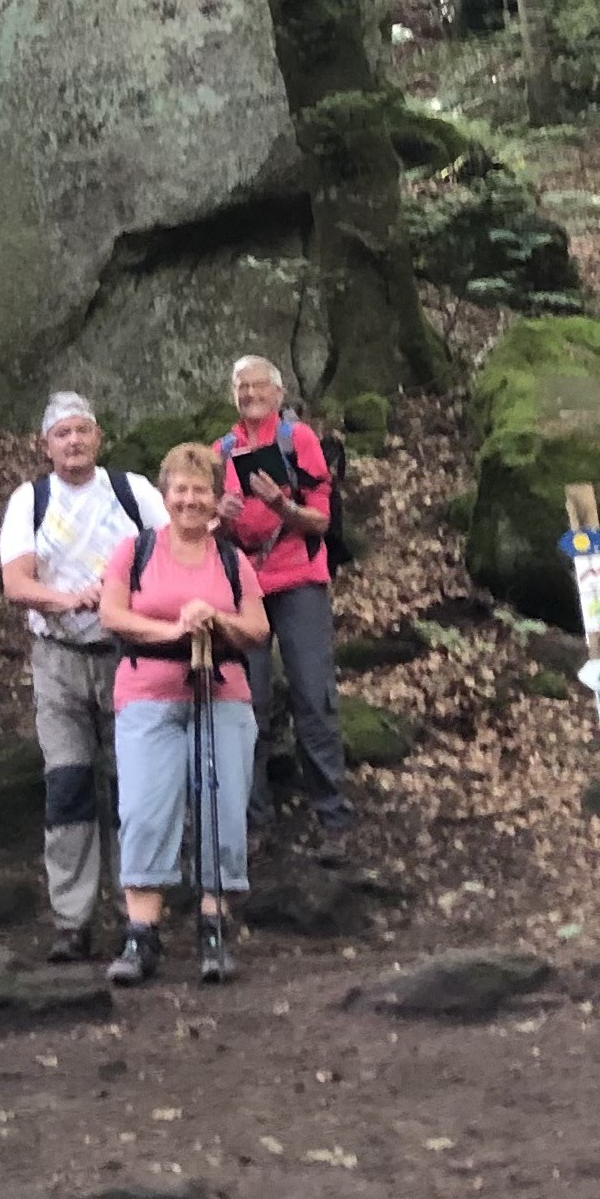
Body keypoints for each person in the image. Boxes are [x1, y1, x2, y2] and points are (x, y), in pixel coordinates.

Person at [0, 392, 163, 961]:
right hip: (59, 660)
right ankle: (72, 919)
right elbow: (16, 581)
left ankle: (135, 913)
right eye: (62, 433)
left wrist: (128, 602)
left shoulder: (132, 492)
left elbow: (171, 555)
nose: (73, 441)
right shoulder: (31, 500)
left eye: (82, 431)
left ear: (98, 436)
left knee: (131, 788)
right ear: (46, 445)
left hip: (128, 656)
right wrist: (66, 599)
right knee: (67, 787)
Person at [98, 439, 269, 985]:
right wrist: (173, 629)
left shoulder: (231, 559)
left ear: (217, 499)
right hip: (148, 693)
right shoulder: (135, 550)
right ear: (165, 493)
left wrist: (215, 619)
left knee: (221, 807)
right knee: (146, 809)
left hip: (222, 694)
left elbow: (259, 630)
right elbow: (113, 615)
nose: (190, 500)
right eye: (180, 490)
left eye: (201, 491)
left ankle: (213, 926)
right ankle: (141, 934)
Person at [216, 354, 354, 855]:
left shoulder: (300, 441)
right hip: (245, 586)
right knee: (246, 703)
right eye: (241, 387)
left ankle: (333, 819)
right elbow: (211, 533)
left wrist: (280, 505)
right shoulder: (223, 450)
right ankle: (254, 823)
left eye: (258, 386)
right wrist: (222, 515)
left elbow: (320, 521)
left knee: (312, 695)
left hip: (298, 578)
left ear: (278, 394)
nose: (250, 394)